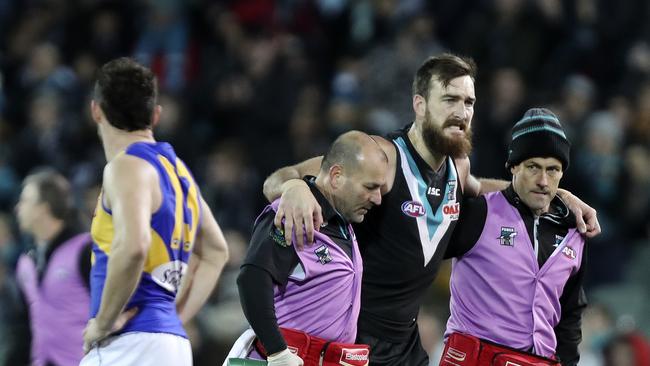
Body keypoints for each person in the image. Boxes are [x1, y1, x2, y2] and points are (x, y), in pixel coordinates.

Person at [262, 54, 601, 366]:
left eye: (469, 102)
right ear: (420, 105)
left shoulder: (459, 167)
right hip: (351, 337)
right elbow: (279, 178)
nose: (462, 112)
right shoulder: (384, 157)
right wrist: (293, 187)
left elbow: (499, 189)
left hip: (404, 345)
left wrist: (560, 196)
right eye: (450, 99)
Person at [80, 57, 230, 366]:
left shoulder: (125, 167)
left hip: (128, 344)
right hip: (170, 345)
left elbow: (133, 247)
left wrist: (102, 323)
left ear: (96, 110)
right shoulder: (180, 174)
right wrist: (173, 318)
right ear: (156, 115)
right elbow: (217, 251)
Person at [440, 108, 587, 366]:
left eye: (553, 169)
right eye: (533, 167)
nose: (543, 180)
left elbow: (570, 316)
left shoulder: (574, 232)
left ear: (562, 173)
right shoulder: (480, 212)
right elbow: (418, 256)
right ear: (513, 166)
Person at [229, 131, 388, 366]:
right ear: (336, 177)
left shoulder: (343, 224)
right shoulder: (294, 212)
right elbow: (252, 278)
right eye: (370, 187)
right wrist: (278, 352)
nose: (378, 199)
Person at [14, 168, 92, 366]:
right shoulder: (26, 263)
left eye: (24, 201)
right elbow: (23, 326)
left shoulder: (85, 250)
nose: (17, 208)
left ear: (43, 207)